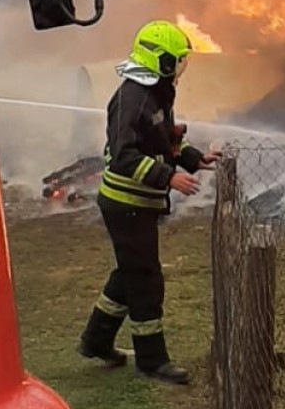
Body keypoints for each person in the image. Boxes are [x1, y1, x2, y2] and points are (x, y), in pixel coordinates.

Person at [78, 19, 220, 385]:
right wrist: (168, 177)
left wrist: (193, 158)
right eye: (178, 61)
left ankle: (96, 341)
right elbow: (124, 156)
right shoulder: (131, 98)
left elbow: (164, 142)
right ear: (162, 61)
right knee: (146, 279)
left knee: (130, 272)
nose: (181, 69)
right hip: (125, 204)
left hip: (138, 203)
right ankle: (152, 360)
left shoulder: (156, 93)